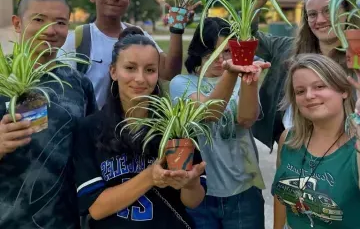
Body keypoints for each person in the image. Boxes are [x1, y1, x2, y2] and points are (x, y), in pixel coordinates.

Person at [73, 27, 206, 229]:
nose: (141, 79)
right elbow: (97, 208)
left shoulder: (178, 125)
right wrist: (150, 177)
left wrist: (190, 183)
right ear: (113, 71)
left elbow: (193, 201)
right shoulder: (88, 129)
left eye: (150, 70)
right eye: (130, 68)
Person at [0, 0, 97, 229]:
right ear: (17, 23)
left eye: (60, 22)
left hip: (63, 221)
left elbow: (91, 148)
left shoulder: (78, 84)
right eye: (39, 20)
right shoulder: (3, 77)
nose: (50, 30)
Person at [169, 17, 270, 229]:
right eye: (212, 52)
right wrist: (233, 71)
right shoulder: (181, 84)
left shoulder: (241, 80)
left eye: (226, 51)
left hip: (243, 191)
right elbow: (209, 112)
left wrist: (248, 79)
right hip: (200, 192)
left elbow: (246, 119)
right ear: (198, 51)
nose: (220, 59)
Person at [59, 0, 195, 109]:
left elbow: (169, 73)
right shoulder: (77, 40)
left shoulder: (138, 35)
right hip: (93, 129)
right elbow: (62, 95)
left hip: (135, 127)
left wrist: (176, 29)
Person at [251, 0, 351, 151]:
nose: (320, 20)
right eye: (312, 14)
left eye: (328, 10)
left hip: (341, 151)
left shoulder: (355, 59)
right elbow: (247, 37)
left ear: (347, 12)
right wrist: (255, 6)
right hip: (292, 145)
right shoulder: (288, 49)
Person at [273, 54, 360, 229]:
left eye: (319, 86)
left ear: (344, 90)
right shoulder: (289, 139)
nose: (309, 96)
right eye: (300, 91)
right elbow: (281, 197)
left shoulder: (355, 148)